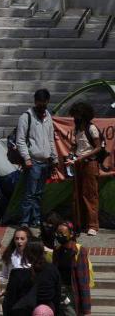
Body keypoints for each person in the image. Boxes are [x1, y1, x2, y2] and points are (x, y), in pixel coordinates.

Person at [17, 89, 59, 228]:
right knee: (30, 194)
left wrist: (54, 158)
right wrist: (27, 158)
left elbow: (50, 139)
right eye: (39, 102)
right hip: (33, 162)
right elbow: (20, 140)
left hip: (45, 162)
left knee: (39, 194)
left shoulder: (48, 116)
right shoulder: (26, 117)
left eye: (44, 102)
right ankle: (24, 221)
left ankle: (35, 220)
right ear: (35, 101)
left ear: (47, 101)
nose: (42, 105)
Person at [67, 101, 102, 236]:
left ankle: (93, 225)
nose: (76, 117)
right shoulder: (77, 129)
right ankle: (79, 224)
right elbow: (76, 146)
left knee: (90, 194)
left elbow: (98, 148)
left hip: (89, 163)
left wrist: (82, 157)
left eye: (77, 115)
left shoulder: (91, 128)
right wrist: (72, 153)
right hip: (78, 163)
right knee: (77, 194)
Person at [4, 240, 61, 316]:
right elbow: (57, 296)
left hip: (24, 311)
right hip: (47, 311)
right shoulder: (53, 269)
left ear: (27, 254)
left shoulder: (18, 272)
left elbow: (9, 300)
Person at [53, 222, 92, 316]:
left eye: (62, 233)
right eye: (57, 233)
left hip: (72, 292)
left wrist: (87, 310)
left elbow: (83, 281)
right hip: (59, 292)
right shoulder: (57, 251)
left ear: (71, 234)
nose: (59, 236)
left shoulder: (79, 251)